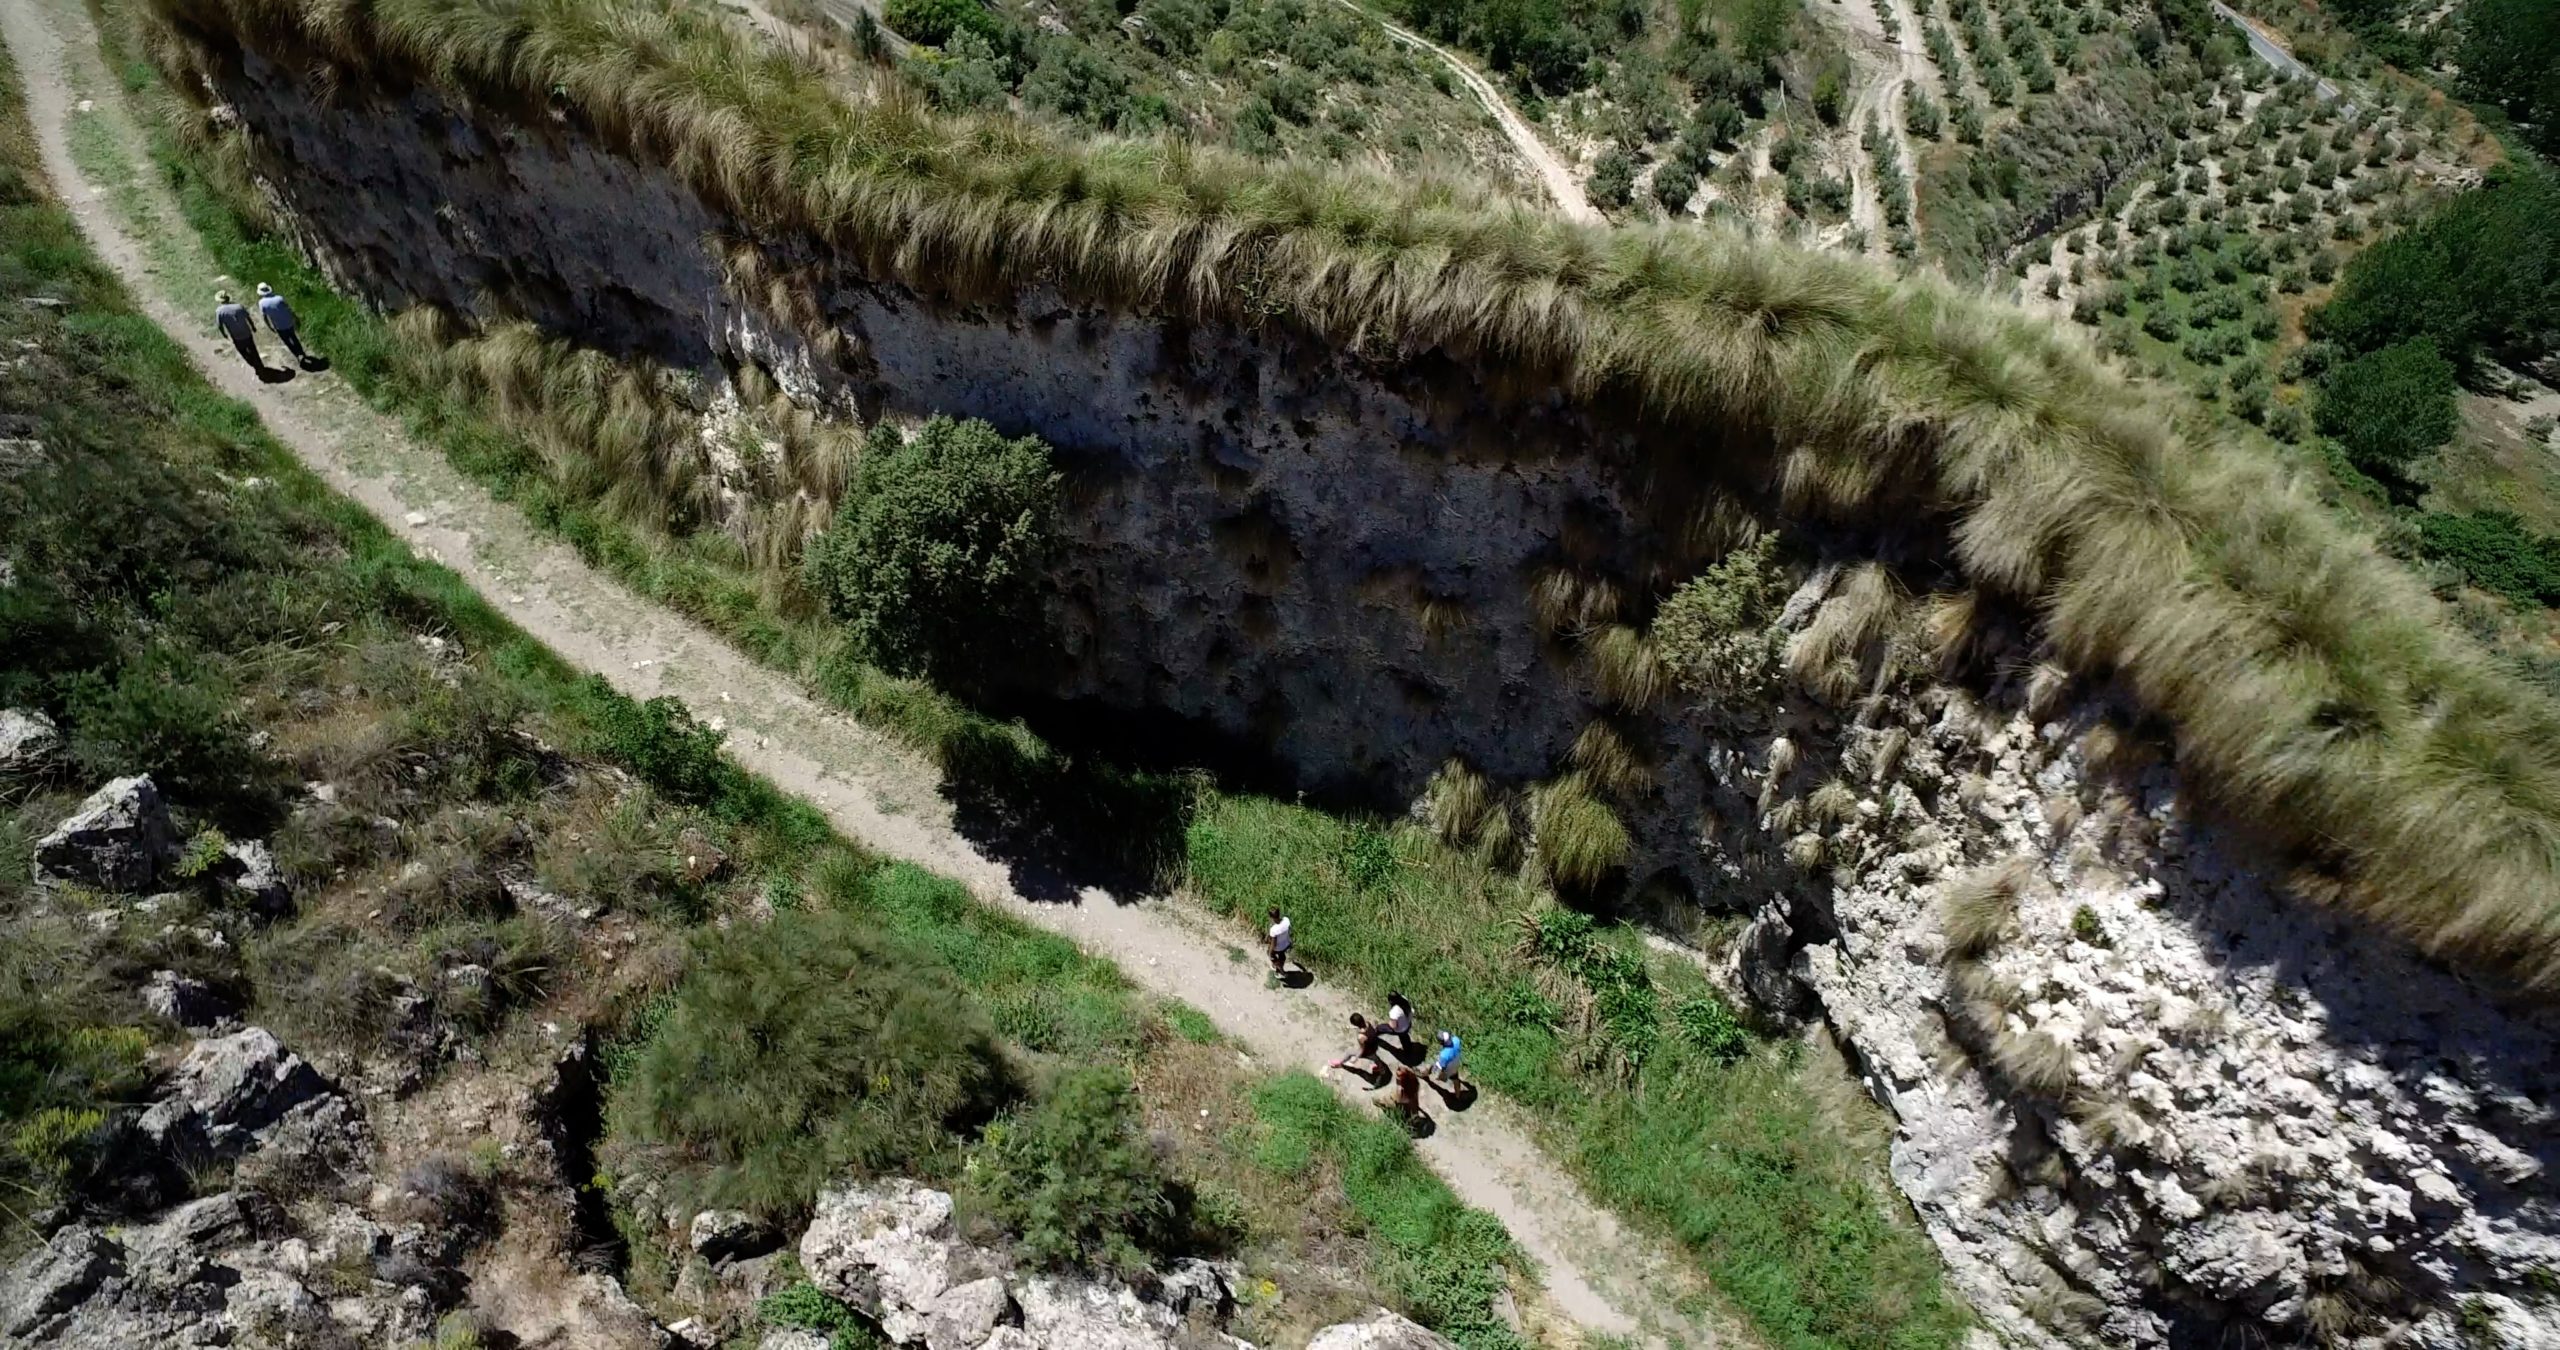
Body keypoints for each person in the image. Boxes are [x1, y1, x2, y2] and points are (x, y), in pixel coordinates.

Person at [254, 283, 310, 365]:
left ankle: (297, 355)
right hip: (288, 322)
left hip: (279, 326)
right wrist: (295, 318)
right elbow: (288, 309)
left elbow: (264, 317)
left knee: (287, 341)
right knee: (294, 338)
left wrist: (270, 326)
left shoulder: (261, 303)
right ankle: (301, 352)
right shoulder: (279, 298)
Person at [213, 290, 264, 372]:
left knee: (242, 350)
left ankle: (253, 364)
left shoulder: (219, 311)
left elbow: (220, 325)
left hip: (236, 336)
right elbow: (248, 317)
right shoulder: (239, 306)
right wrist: (253, 326)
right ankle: (259, 363)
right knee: (252, 348)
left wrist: (224, 334)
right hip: (247, 332)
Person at [1265, 907, 1294, 978]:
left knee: (1272, 956)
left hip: (1278, 947)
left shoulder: (1274, 929)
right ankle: (1278, 965)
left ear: (1271, 917)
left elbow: (1273, 944)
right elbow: (1289, 930)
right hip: (1286, 943)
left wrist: (1270, 953)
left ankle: (1280, 971)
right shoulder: (1286, 920)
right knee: (1282, 956)